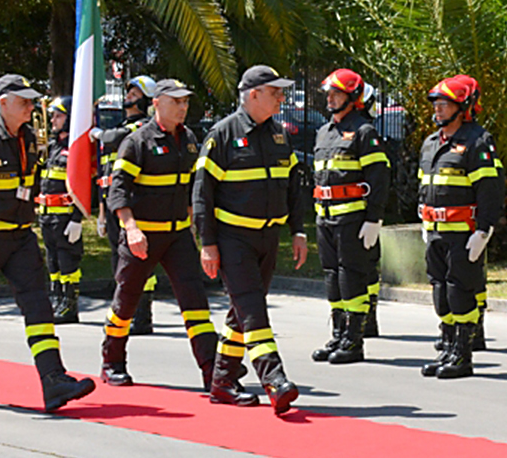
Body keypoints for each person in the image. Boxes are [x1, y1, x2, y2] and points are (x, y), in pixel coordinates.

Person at [0, 74, 95, 412]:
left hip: (20, 237)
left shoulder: (28, 138)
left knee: (39, 307)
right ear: (3, 104)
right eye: (23, 101)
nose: (30, 106)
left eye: (30, 100)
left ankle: (54, 380)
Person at [195, 65, 309, 415]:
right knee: (254, 311)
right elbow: (202, 194)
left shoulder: (279, 135)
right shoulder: (223, 134)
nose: (282, 98)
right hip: (234, 239)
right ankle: (275, 381)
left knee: (241, 313)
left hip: (268, 237)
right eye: (275, 92)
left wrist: (298, 231)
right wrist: (208, 243)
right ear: (253, 94)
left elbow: (293, 187)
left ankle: (222, 381)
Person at [98, 79, 220, 394]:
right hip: (144, 234)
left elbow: (193, 186)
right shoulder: (136, 141)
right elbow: (118, 189)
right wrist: (132, 228)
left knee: (195, 302)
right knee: (126, 300)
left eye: (185, 102)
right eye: (176, 101)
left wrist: (195, 226)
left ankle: (211, 369)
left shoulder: (190, 139)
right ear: (157, 103)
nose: (182, 107)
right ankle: (112, 362)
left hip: (178, 235)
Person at [417, 75, 503, 380]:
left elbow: (490, 190)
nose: (438, 110)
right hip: (436, 231)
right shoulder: (430, 143)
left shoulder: (477, 141)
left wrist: (483, 231)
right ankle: (449, 348)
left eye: (445, 104)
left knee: (460, 292)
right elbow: (424, 185)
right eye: (437, 104)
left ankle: (463, 355)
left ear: (463, 107)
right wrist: (423, 219)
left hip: (463, 234)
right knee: (440, 292)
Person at [309, 69, 390, 365]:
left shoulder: (364, 132)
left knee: (351, 276)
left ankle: (354, 340)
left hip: (353, 220)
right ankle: (338, 333)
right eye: (328, 94)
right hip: (325, 218)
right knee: (332, 277)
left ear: (353, 97)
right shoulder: (324, 131)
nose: (330, 99)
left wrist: (374, 219)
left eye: (337, 93)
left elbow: (379, 179)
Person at [97, 75, 163, 335]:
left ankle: (142, 317)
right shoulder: (124, 124)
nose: (128, 98)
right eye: (129, 93)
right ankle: (124, 311)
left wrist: (99, 133)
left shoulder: (142, 127)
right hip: (115, 202)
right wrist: (102, 212)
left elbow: (114, 137)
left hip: (134, 204)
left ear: (147, 100)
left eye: (135, 95)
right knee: (120, 259)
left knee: (139, 260)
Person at [39, 96, 85, 323]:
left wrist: (77, 219)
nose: (54, 120)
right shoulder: (52, 147)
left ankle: (70, 305)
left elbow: (83, 186)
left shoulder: (75, 149)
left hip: (66, 216)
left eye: (59, 115)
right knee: (53, 262)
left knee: (68, 262)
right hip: (47, 215)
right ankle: (56, 299)